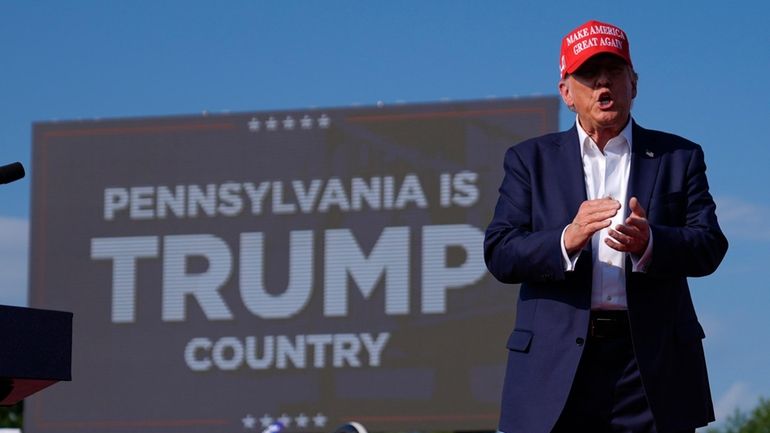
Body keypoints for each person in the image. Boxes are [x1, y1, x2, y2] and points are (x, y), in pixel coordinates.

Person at [484, 19, 728, 433]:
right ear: (566, 93)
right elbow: (500, 252)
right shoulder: (529, 160)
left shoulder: (678, 156)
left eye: (614, 72)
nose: (603, 85)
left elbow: (709, 245)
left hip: (650, 367)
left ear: (633, 83)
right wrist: (567, 239)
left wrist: (652, 243)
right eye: (588, 75)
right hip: (556, 368)